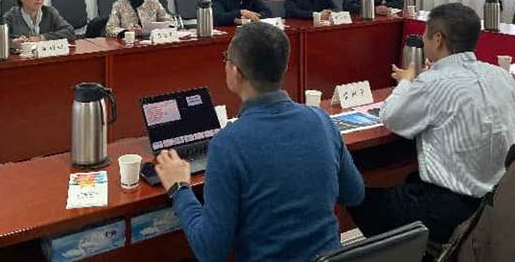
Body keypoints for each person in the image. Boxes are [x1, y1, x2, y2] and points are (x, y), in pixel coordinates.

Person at [155, 22, 365, 262]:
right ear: (283, 68)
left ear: (236, 72)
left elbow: (210, 252)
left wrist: (179, 188)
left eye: (226, 59)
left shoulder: (228, 144)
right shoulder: (320, 120)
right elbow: (355, 193)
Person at [349, 3, 515, 244]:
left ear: (438, 39)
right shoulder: (501, 76)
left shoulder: (433, 82)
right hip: (496, 201)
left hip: (447, 210)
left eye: (425, 34)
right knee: (409, 178)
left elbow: (390, 117)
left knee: (355, 195)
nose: (423, 39)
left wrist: (406, 81)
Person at [2, 0, 75, 46]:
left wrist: (42, 38)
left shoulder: (50, 12)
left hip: (47, 54)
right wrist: (12, 43)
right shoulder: (11, 16)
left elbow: (69, 31)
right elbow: (0, 40)